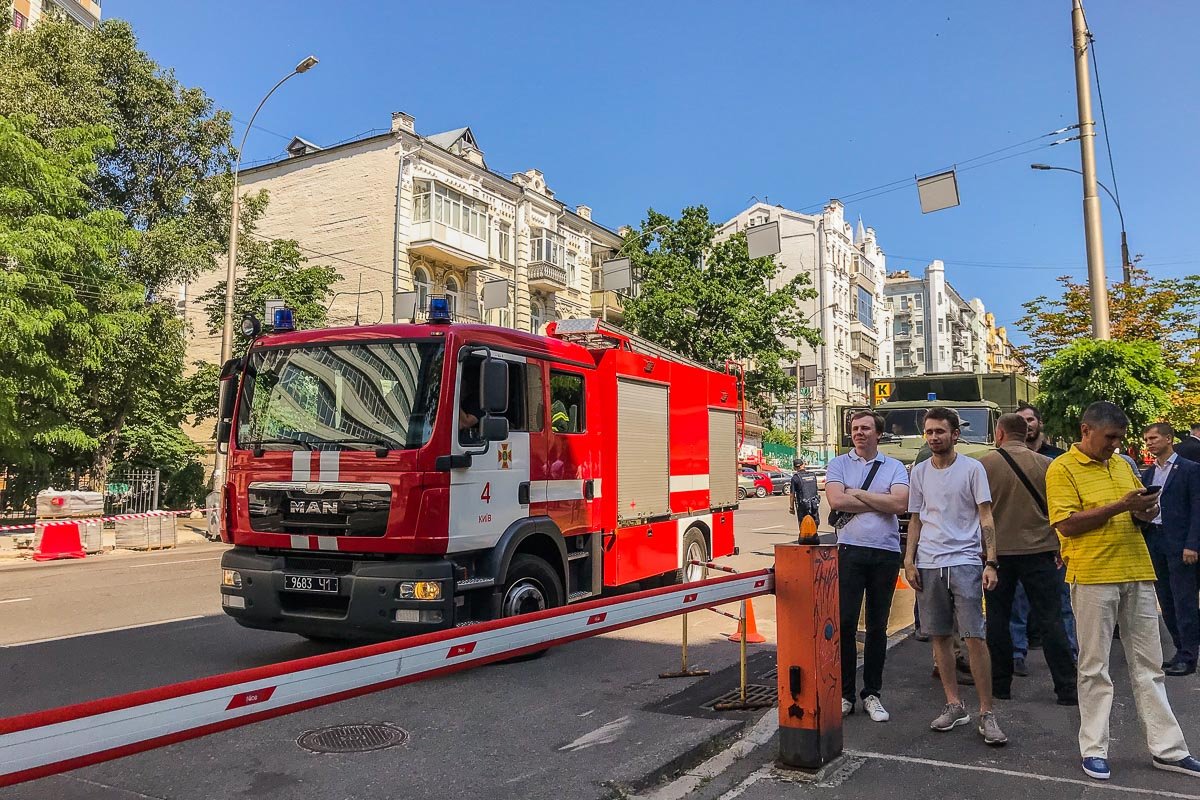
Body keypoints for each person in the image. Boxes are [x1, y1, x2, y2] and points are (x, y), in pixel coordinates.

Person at [1047, 401, 1200, 781]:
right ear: (1086, 430)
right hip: (1094, 574)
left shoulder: (1121, 465)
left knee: (1150, 665)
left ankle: (1168, 749)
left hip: (1136, 570)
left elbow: (1136, 513)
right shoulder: (1061, 468)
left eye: (1119, 439)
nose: (1115, 446)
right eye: (1109, 438)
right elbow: (1066, 525)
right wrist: (1121, 505)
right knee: (1094, 667)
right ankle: (1094, 748)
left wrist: (1144, 509)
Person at [904, 406, 1007, 746]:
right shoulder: (919, 472)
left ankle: (986, 713)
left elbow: (986, 517)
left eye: (940, 432)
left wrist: (991, 561)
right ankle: (953, 704)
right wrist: (909, 560)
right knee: (939, 637)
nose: (934, 437)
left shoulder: (972, 468)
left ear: (955, 435)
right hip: (929, 563)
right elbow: (916, 519)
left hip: (965, 562)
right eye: (930, 432)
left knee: (974, 636)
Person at [979, 414, 1077, 705]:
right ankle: (1066, 688)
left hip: (999, 556)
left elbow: (980, 512)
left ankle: (1000, 687)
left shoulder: (985, 465)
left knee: (998, 620)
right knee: (1051, 620)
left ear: (1000, 434)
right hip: (1040, 552)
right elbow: (1058, 510)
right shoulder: (1047, 465)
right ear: (1026, 433)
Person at [825, 410, 909, 722]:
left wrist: (857, 493)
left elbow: (900, 504)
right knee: (845, 624)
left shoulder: (894, 466)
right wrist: (879, 499)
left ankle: (872, 694)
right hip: (848, 551)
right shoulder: (839, 464)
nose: (859, 433)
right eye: (855, 428)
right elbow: (836, 501)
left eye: (865, 428)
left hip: (885, 553)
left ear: (878, 433)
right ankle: (845, 695)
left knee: (877, 627)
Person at [1141, 422, 1200, 676]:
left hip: (1180, 542)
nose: (1150, 443)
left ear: (1168, 438)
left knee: (1183, 599)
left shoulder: (1189, 469)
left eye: (1154, 438)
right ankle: (1179, 649)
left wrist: (1192, 544)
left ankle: (1189, 655)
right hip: (1155, 539)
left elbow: (1197, 509)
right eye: (1147, 439)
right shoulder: (1149, 473)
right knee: (1165, 599)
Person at [788, 459, 820, 536]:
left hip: (803, 505)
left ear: (795, 468)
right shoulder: (812, 475)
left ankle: (805, 538)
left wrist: (791, 508)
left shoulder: (795, 478)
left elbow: (792, 494)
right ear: (803, 465)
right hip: (814, 504)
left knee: (803, 524)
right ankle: (814, 535)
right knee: (815, 521)